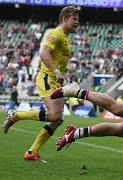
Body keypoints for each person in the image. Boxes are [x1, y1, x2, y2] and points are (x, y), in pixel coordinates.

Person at [2, 6, 79, 162]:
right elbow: (44, 54)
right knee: (55, 115)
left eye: (78, 19)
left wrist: (62, 75)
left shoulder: (65, 37)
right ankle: (15, 115)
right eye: (74, 19)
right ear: (65, 19)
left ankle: (31, 152)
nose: (77, 22)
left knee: (57, 120)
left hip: (54, 82)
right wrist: (56, 72)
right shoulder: (55, 33)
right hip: (47, 78)